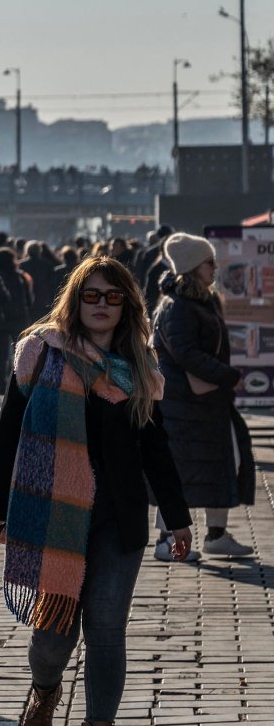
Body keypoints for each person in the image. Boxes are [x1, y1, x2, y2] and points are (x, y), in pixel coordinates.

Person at [0, 257, 190, 726]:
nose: (100, 305)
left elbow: (156, 448)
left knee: (106, 630)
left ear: (127, 305)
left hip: (118, 520)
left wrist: (177, 518)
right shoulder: (42, 352)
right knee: (55, 635)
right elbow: (9, 430)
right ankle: (44, 690)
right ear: (75, 300)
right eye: (91, 295)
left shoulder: (140, 365)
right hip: (53, 516)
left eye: (112, 297)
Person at [151, 233, 256, 558]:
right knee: (181, 470)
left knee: (222, 463)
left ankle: (216, 534)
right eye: (209, 262)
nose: (215, 267)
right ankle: (166, 541)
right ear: (193, 267)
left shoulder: (197, 302)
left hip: (204, 403)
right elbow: (185, 353)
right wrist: (227, 376)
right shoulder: (179, 306)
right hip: (184, 405)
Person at [0, 247, 36, 388]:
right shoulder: (21, 276)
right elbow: (29, 299)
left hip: (1, 318)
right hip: (19, 317)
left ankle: (1, 381)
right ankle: (18, 380)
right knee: (20, 350)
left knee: (1, 352)